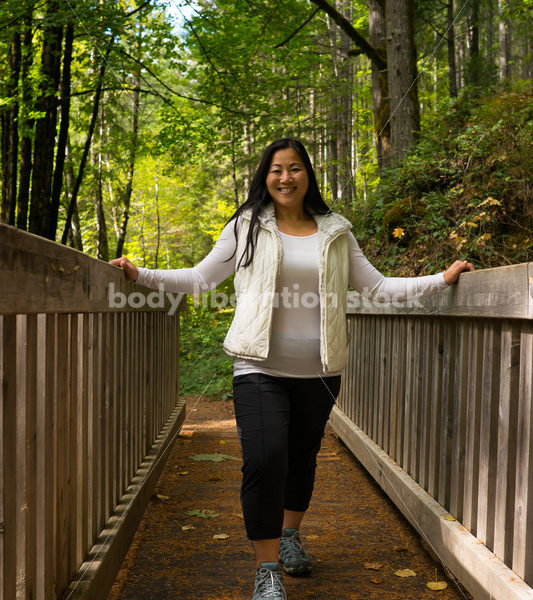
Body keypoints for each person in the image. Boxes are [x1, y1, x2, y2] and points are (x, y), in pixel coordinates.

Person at [110, 138, 474, 600]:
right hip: (257, 366)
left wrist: (440, 280)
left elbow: (378, 288)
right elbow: (201, 278)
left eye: (295, 168)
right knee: (265, 459)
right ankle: (267, 570)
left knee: (301, 458)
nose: (286, 177)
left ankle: (289, 536)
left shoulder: (336, 232)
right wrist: (143, 275)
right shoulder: (246, 226)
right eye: (277, 169)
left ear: (308, 175)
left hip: (321, 372)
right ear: (265, 176)